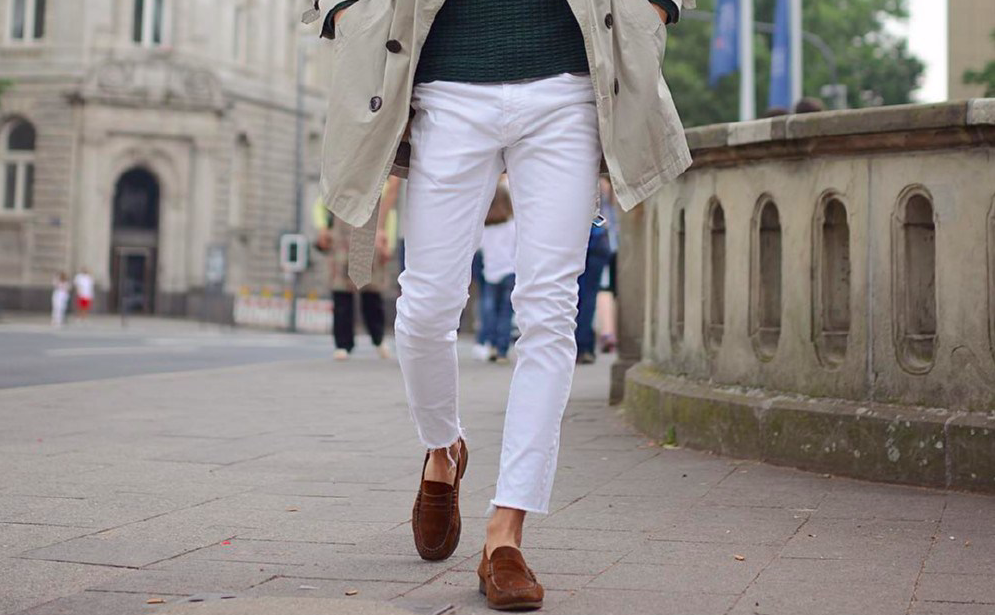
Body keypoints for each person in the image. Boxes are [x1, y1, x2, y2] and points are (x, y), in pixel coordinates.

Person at [318, 0, 693, 609]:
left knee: (548, 311)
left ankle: (506, 533)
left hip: (569, 83)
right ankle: (444, 449)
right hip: (447, 81)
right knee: (425, 305)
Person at [314, 176, 399, 360]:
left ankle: (378, 339)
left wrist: (389, 244)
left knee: (372, 295)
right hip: (341, 242)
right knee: (341, 295)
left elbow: (389, 214)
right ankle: (342, 345)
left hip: (370, 243)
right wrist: (322, 228)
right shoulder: (339, 183)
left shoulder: (380, 184)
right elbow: (321, 205)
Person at [476, 183, 516, 364]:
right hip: (509, 272)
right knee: (506, 313)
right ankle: (502, 350)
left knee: (489, 310)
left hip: (490, 274)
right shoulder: (512, 226)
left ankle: (490, 344)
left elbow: (479, 249)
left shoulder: (483, 229)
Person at [576, 178, 614, 364]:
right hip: (598, 241)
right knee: (588, 297)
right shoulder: (604, 186)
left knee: (574, 295)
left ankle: (579, 345)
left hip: (579, 242)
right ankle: (584, 346)